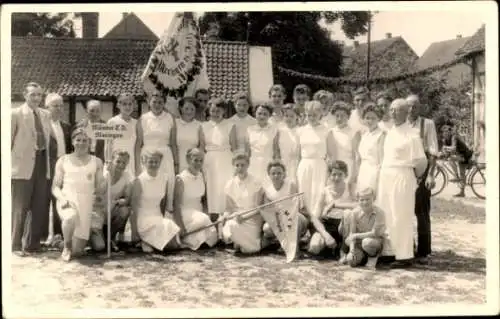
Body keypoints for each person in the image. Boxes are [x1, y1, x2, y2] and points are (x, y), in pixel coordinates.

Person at [377, 98, 427, 269]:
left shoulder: (412, 134)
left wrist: (415, 178)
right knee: (387, 213)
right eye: (391, 109)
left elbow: (421, 162)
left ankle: (404, 255)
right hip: (386, 176)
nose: (393, 112)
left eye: (397, 110)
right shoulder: (390, 132)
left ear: (406, 112)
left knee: (401, 215)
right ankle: (389, 251)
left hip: (402, 176)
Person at [51, 128, 105, 261]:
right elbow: (55, 187)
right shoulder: (63, 160)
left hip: (85, 204)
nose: (81, 143)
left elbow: (99, 188)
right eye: (78, 140)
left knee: (78, 252)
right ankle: (66, 247)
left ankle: (58, 242)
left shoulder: (97, 161)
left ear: (89, 143)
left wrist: (105, 179)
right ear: (73, 142)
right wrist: (62, 199)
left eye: (84, 140)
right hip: (68, 199)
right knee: (70, 217)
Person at [11, 82, 52, 256]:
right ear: (25, 95)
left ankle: (32, 244)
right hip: (22, 165)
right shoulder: (16, 114)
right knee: (20, 207)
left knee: (39, 205)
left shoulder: (45, 115)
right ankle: (14, 245)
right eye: (33, 94)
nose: (36, 98)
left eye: (39, 95)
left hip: (42, 162)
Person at [135, 92, 178, 215]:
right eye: (154, 102)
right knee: (148, 184)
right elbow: (138, 143)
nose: (157, 105)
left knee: (167, 183)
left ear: (164, 103)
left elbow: (173, 143)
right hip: (147, 154)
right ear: (149, 102)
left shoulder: (170, 118)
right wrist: (137, 165)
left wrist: (176, 163)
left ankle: (164, 215)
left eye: (160, 102)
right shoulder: (143, 118)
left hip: (165, 155)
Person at [407, 94, 439, 261]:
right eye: (408, 106)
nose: (411, 109)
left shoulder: (427, 124)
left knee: (421, 211)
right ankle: (407, 247)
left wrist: (431, 175)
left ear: (419, 107)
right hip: (405, 170)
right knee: (404, 210)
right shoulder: (401, 124)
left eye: (414, 106)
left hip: (423, 169)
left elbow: (433, 151)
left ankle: (424, 251)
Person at [130, 150, 181, 253]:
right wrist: (134, 232)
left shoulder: (164, 178)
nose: (153, 164)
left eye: (156, 162)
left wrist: (161, 220)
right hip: (143, 219)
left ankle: (149, 242)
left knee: (175, 244)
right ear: (144, 162)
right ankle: (145, 240)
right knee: (170, 245)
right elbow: (133, 209)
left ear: (160, 162)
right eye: (150, 162)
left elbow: (162, 203)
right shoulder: (139, 181)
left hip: (158, 218)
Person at [308, 160, 356, 259]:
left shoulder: (350, 188)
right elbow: (315, 218)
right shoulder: (325, 191)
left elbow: (358, 205)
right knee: (314, 247)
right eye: (334, 174)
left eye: (340, 174)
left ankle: (343, 248)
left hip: (344, 226)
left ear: (346, 175)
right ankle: (331, 247)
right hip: (328, 224)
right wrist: (326, 235)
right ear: (329, 175)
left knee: (348, 214)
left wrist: (335, 205)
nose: (337, 178)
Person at [173, 148, 218, 250]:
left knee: (211, 235)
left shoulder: (201, 176)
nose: (198, 163)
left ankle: (192, 241)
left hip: (198, 213)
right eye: (195, 160)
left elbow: (204, 200)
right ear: (188, 160)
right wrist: (180, 226)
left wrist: (208, 215)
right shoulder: (181, 178)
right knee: (204, 220)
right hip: (185, 214)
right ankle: (185, 236)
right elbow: (176, 206)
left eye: (201, 161)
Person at [296, 101, 336, 216]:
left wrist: (330, 173)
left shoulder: (326, 130)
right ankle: (304, 222)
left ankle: (316, 223)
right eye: (309, 115)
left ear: (320, 115)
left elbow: (331, 154)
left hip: (319, 166)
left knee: (317, 194)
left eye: (314, 115)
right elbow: (298, 154)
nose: (311, 118)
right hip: (304, 165)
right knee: (304, 194)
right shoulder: (301, 130)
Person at [201, 98, 238, 219]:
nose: (215, 113)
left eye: (218, 111)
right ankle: (213, 222)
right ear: (209, 111)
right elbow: (202, 148)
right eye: (212, 111)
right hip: (210, 161)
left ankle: (226, 220)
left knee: (225, 189)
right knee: (212, 192)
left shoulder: (230, 125)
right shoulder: (203, 126)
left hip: (226, 160)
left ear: (223, 111)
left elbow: (234, 147)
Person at [221, 151, 264, 254]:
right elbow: (228, 209)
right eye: (237, 165)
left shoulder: (256, 182)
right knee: (229, 225)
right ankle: (240, 242)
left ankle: (249, 243)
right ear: (233, 166)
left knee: (248, 250)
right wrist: (225, 216)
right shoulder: (230, 184)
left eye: (243, 165)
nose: (240, 168)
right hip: (236, 218)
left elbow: (259, 209)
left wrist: (245, 217)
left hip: (252, 220)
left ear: (248, 165)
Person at [260, 160, 309, 249]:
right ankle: (279, 241)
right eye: (273, 173)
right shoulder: (267, 190)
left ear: (284, 174)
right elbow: (268, 211)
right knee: (266, 228)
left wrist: (284, 212)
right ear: (269, 175)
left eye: (279, 173)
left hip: (293, 216)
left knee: (295, 219)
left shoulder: (291, 185)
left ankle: (294, 246)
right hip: (278, 218)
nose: (276, 175)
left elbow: (295, 207)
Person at [45, 93, 73, 246]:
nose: (59, 108)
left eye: (61, 105)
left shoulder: (66, 127)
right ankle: (43, 236)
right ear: (47, 107)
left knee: (60, 200)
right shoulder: (44, 125)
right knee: (44, 202)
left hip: (63, 168)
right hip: (47, 167)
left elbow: (69, 148)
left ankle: (57, 235)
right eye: (55, 105)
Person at [92, 150, 133, 251]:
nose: (121, 165)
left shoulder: (127, 175)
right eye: (118, 161)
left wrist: (123, 201)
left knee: (124, 211)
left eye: (124, 162)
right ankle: (97, 237)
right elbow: (99, 193)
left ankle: (110, 237)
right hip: (99, 211)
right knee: (99, 247)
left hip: (112, 210)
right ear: (112, 161)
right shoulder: (105, 173)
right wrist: (108, 176)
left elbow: (127, 198)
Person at [340, 187, 386, 268]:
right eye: (362, 200)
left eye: (368, 199)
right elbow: (352, 233)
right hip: (359, 244)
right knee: (351, 262)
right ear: (358, 200)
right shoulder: (355, 213)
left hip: (374, 242)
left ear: (373, 199)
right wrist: (351, 251)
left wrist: (356, 235)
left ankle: (373, 257)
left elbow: (375, 233)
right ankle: (360, 256)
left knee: (367, 242)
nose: (365, 202)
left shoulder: (380, 212)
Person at [330, 101, 361, 198]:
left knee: (348, 195)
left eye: (342, 116)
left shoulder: (354, 132)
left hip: (349, 167)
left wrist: (354, 175)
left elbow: (356, 155)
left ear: (348, 117)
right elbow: (330, 154)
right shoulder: (331, 132)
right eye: (337, 115)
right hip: (335, 168)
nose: (339, 118)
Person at [244, 104, 280, 183]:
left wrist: (276, 168)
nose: (262, 116)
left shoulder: (274, 130)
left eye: (265, 114)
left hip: (268, 163)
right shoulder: (249, 129)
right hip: (253, 164)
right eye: (259, 113)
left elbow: (276, 151)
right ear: (255, 114)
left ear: (269, 116)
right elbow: (247, 152)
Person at [356, 102, 386, 193]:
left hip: (374, 172)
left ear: (379, 119)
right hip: (363, 171)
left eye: (373, 118)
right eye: (367, 118)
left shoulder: (382, 135)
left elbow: (382, 159)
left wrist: (379, 176)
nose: (370, 121)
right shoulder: (364, 135)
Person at [106, 93, 137, 176]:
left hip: (131, 162)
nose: (127, 107)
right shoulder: (112, 122)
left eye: (130, 104)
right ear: (118, 105)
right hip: (116, 161)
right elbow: (108, 144)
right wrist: (108, 161)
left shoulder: (136, 123)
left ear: (133, 105)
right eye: (124, 104)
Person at [440, 122, 474, 197]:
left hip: (465, 155)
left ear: (449, 132)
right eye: (443, 132)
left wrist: (445, 148)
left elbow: (453, 148)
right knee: (462, 173)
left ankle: (456, 177)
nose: (444, 134)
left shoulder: (454, 137)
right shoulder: (445, 140)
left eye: (446, 132)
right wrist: (442, 153)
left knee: (451, 160)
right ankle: (462, 192)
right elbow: (446, 151)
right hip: (459, 155)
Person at [176, 97, 204, 172]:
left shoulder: (199, 125)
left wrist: (198, 164)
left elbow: (201, 147)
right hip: (176, 162)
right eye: (186, 108)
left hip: (193, 163)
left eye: (192, 109)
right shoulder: (174, 123)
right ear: (181, 109)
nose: (189, 112)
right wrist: (175, 163)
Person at [278, 104, 301, 183]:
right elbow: (277, 149)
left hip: (296, 164)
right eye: (286, 116)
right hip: (283, 164)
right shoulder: (280, 131)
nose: (288, 118)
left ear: (297, 116)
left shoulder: (301, 131)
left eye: (292, 116)